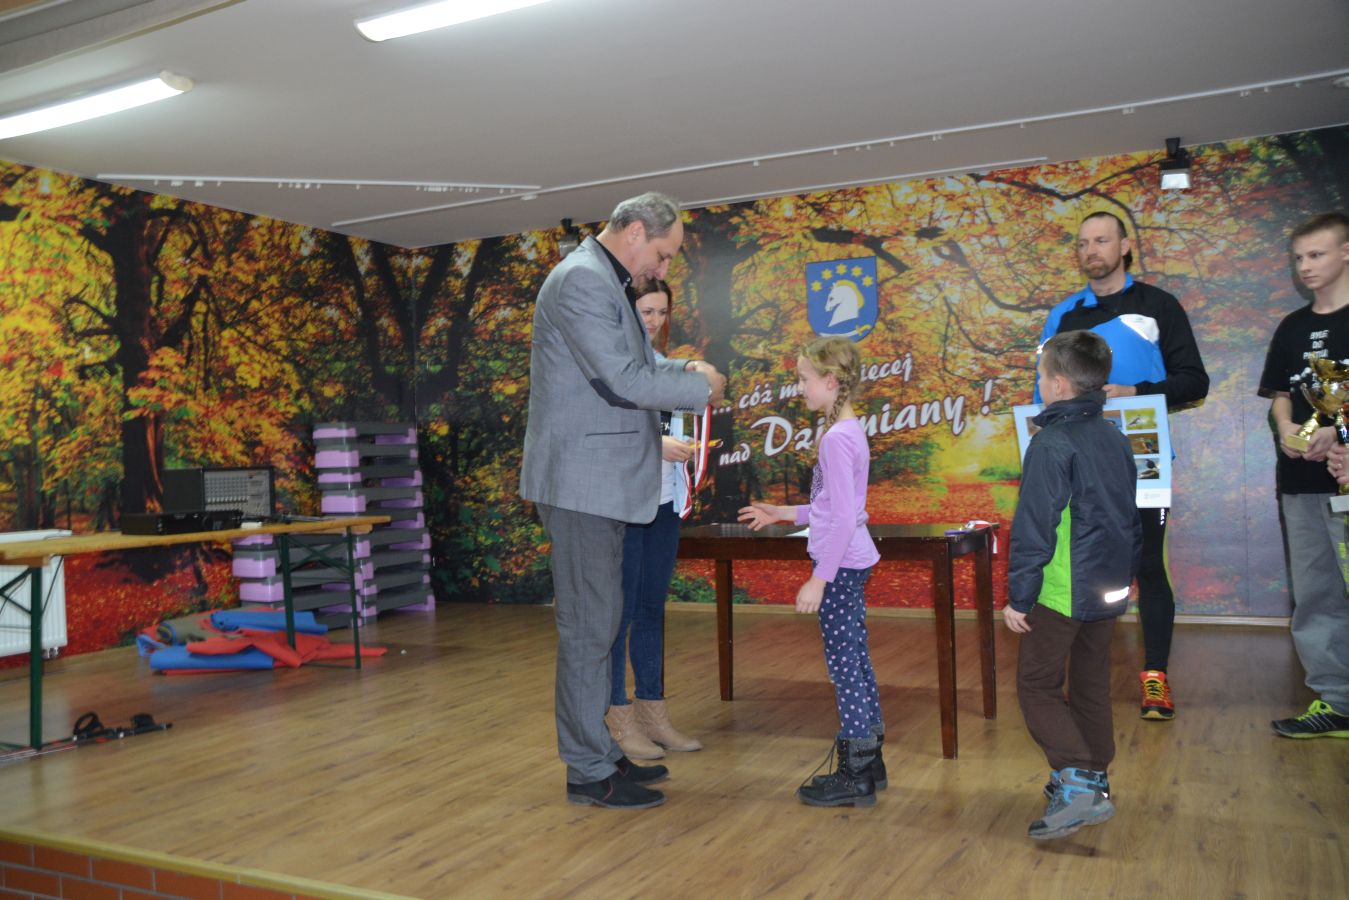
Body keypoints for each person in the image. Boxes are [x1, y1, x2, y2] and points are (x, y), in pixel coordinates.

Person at [519, 192, 727, 809]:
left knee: (603, 622)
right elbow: (623, 381)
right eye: (663, 254)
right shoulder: (582, 279)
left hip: (601, 484)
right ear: (635, 232)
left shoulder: (606, 281)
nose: (663, 268)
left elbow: (636, 366)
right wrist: (699, 386)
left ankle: (603, 752)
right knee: (589, 629)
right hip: (582, 485)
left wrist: (685, 370)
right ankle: (587, 771)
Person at [1035, 211, 1209, 721]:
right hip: (1077, 465)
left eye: (1101, 240)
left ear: (1125, 246)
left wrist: (1135, 391)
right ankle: (1083, 678)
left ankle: (1155, 676)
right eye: (1083, 242)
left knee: (1149, 566)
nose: (1091, 250)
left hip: (1143, 461)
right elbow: (1042, 392)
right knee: (1080, 565)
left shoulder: (1158, 305)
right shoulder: (1063, 315)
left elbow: (1194, 381)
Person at [1007, 330, 1142, 841]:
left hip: (1061, 592)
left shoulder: (1051, 443)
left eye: (1042, 377)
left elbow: (1034, 527)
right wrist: (1126, 579)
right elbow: (1132, 518)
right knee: (1089, 684)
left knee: (1036, 685)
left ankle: (1079, 781)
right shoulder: (1114, 437)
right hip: (1107, 589)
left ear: (1059, 385)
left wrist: (1020, 597)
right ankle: (1095, 781)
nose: (1040, 385)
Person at [737, 336, 883, 808]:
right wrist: (781, 513)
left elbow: (841, 519)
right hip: (851, 562)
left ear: (831, 380)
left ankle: (856, 774)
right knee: (856, 658)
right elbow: (831, 507)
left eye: (804, 379)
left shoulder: (837, 439)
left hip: (840, 566)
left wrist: (820, 577)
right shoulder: (848, 430)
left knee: (844, 666)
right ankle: (871, 761)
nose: (799, 387)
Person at [605, 277, 704, 759]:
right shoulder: (608, 363)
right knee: (618, 614)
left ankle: (653, 715)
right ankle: (617, 719)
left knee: (651, 609)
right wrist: (654, 445)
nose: (654, 321)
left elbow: (675, 412)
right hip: (624, 506)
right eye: (646, 311)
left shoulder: (663, 366)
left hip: (664, 502)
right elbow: (599, 435)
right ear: (626, 311)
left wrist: (682, 446)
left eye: (662, 312)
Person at [1261, 211, 1349, 740]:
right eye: (1298, 258)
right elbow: (1279, 397)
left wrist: (1340, 435)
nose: (1305, 266)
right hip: (1301, 486)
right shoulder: (1292, 327)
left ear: (1346, 253)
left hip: (1346, 478)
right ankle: (1337, 703)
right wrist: (1287, 428)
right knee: (1316, 595)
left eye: (1316, 254)